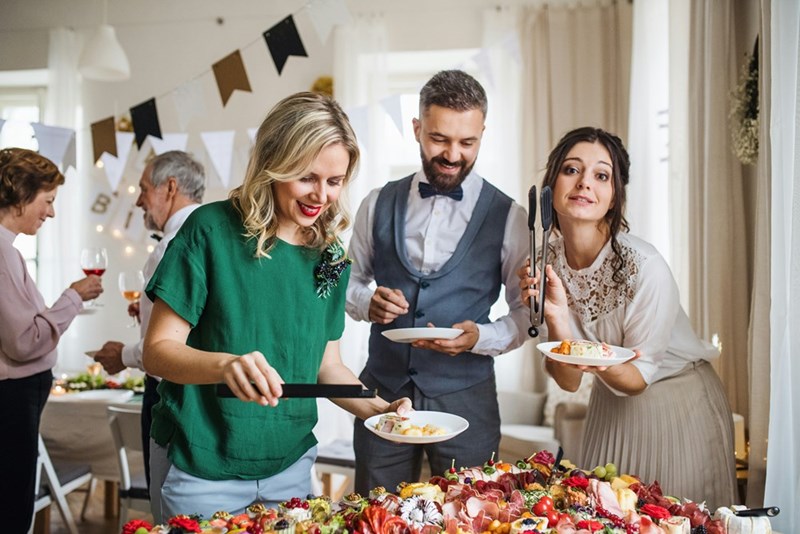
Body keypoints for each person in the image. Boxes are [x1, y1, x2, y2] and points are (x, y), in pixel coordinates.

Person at [142, 92, 411, 521]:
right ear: (273, 163)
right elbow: (157, 350)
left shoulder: (332, 256)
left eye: (335, 181)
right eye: (306, 177)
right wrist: (225, 366)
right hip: (202, 466)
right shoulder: (208, 230)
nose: (321, 196)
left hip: (290, 466)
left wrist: (383, 413)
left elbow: (327, 368)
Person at [518, 126, 736, 508]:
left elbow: (636, 379)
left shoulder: (645, 266)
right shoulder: (543, 261)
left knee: (671, 520)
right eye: (572, 169)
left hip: (676, 404)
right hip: (608, 407)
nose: (585, 182)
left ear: (614, 196)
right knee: (600, 519)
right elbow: (568, 381)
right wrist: (557, 318)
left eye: (602, 175)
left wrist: (579, 348)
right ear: (551, 184)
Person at [346, 70, 529, 493]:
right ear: (416, 129)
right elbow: (348, 282)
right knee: (375, 511)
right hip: (381, 392)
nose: (452, 154)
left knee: (472, 512)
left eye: (467, 143)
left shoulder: (510, 216)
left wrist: (478, 337)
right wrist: (366, 303)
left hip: (467, 395)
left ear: (483, 133)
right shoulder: (377, 203)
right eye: (439, 139)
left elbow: (526, 315)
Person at [0, 148, 103, 533]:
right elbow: (25, 341)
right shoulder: (2, 255)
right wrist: (73, 296)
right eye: (48, 201)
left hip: (16, 396)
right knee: (11, 507)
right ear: (20, 194)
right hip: (12, 399)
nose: (51, 212)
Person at [93, 150, 205, 489]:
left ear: (170, 188)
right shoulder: (216, 236)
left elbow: (165, 350)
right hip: (206, 394)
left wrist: (122, 356)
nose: (139, 201)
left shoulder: (172, 245)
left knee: (167, 497)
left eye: (143, 189)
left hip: (169, 394)